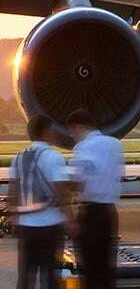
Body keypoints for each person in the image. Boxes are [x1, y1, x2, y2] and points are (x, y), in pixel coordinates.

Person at [9, 115, 73, 289]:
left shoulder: (19, 157)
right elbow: (61, 192)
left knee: (25, 277)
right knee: (50, 277)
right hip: (51, 227)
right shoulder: (54, 157)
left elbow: (13, 191)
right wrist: (71, 220)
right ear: (46, 132)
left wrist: (14, 218)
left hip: (27, 227)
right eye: (52, 130)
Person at [66, 109, 124, 289]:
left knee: (90, 270)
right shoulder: (115, 144)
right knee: (106, 269)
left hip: (90, 213)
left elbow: (77, 180)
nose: (72, 136)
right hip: (109, 213)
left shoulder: (82, 147)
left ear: (78, 127)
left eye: (72, 131)